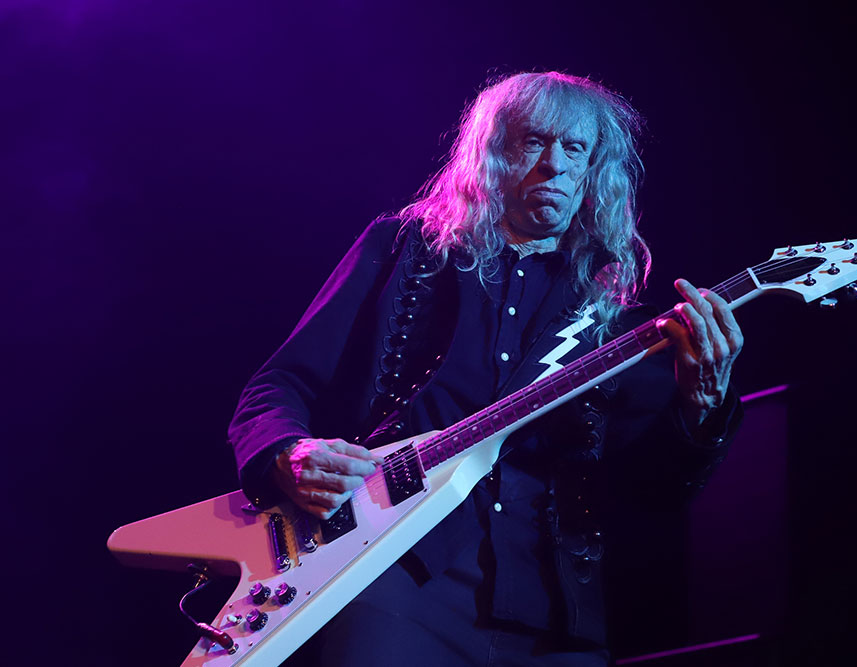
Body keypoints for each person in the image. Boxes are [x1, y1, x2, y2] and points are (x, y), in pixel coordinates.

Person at [228, 71, 744, 666]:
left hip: (553, 612)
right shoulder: (404, 251)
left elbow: (657, 491)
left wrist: (704, 402)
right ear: (491, 153)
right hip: (392, 576)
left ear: (593, 172)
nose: (554, 164)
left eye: (575, 148)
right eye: (534, 142)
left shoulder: (615, 326)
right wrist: (287, 454)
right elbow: (277, 387)